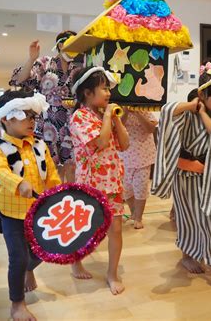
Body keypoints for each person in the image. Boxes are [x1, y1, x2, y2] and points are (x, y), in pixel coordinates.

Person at [152, 67, 211, 281]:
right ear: (202, 94)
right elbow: (167, 111)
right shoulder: (188, 112)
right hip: (186, 174)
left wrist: (203, 113)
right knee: (189, 218)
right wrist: (193, 106)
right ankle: (187, 256)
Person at [0, 90, 60, 321]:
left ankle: (28, 269)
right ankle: (17, 304)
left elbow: (51, 174)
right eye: (25, 116)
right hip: (10, 213)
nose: (32, 121)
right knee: (18, 256)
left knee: (43, 250)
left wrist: (57, 193)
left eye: (33, 116)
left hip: (38, 211)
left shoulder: (39, 144)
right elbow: (1, 171)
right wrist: (19, 183)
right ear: (6, 119)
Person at [70, 66, 130, 295]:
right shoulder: (80, 117)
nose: (108, 93)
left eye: (108, 89)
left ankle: (112, 274)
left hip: (113, 182)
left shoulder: (105, 114)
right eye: (104, 89)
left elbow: (124, 144)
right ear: (87, 93)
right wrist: (107, 117)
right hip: (91, 184)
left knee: (116, 229)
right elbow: (102, 142)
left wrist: (116, 120)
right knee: (86, 228)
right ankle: (76, 261)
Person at [10, 31, 82, 183]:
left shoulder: (78, 67)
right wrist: (32, 58)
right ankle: (54, 200)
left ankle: (70, 198)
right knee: (51, 165)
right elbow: (20, 80)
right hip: (47, 122)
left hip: (72, 122)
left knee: (71, 165)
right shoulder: (45, 63)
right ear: (61, 45)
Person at [120, 110, 157, 229]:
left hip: (143, 156)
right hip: (124, 156)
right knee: (126, 190)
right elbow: (117, 128)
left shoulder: (145, 111)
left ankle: (139, 217)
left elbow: (151, 129)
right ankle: (133, 213)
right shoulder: (119, 111)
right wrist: (126, 112)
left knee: (140, 187)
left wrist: (137, 113)